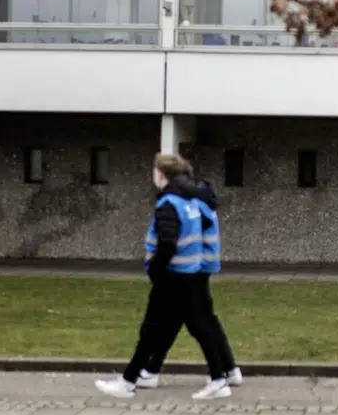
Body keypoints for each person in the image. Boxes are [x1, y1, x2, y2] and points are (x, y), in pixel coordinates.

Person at [95, 154, 241, 401]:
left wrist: (155, 270)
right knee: (197, 326)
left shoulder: (170, 203)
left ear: (161, 174)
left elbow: (167, 243)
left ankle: (131, 381)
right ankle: (217, 377)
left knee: (154, 329)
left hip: (173, 277)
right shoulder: (190, 201)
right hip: (189, 274)